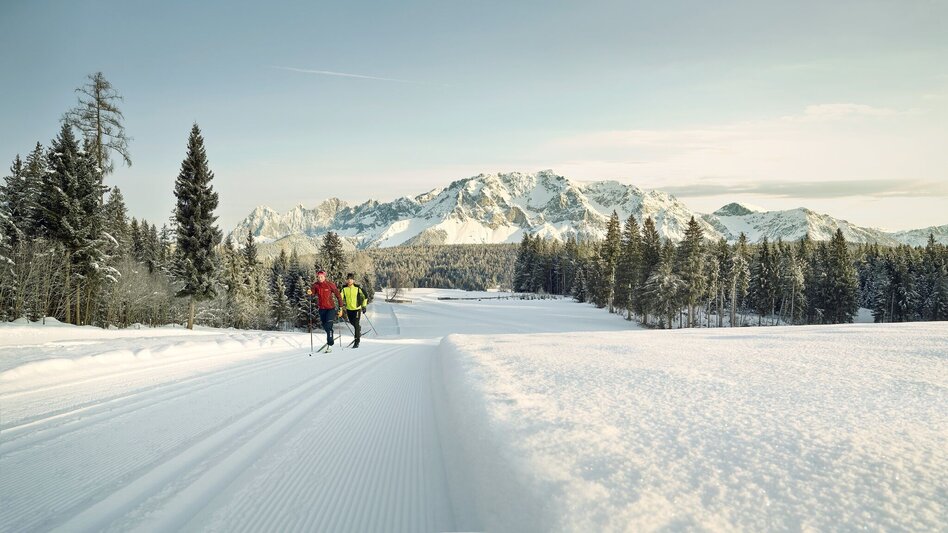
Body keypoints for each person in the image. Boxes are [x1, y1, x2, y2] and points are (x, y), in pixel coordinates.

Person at [309, 269, 343, 352]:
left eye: (321, 277)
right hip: (321, 309)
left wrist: (341, 308)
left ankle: (330, 344)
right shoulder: (316, 285)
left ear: (324, 276)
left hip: (330, 309)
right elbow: (312, 292)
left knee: (328, 326)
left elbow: (338, 296)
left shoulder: (330, 285)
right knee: (325, 326)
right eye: (318, 277)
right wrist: (310, 292)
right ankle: (330, 334)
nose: (320, 278)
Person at [340, 273, 369, 348]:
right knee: (352, 322)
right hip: (349, 309)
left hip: (357, 309)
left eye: (351, 279)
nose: (349, 280)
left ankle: (357, 341)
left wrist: (364, 306)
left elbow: (365, 296)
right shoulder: (344, 289)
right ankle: (358, 328)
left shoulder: (357, 288)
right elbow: (340, 298)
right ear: (346, 280)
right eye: (348, 279)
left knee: (356, 324)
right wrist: (340, 307)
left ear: (353, 280)